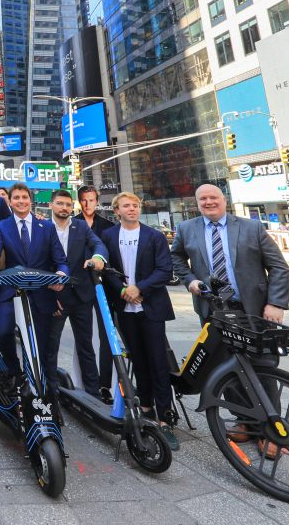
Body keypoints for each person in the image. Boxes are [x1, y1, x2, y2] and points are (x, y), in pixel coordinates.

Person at [171, 183, 289, 456]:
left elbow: (279, 267)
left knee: (262, 368)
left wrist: (275, 303)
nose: (208, 202)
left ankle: (270, 429)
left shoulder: (251, 227)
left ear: (223, 200)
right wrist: (189, 280)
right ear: (197, 203)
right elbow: (175, 257)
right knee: (225, 369)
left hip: (254, 310)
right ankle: (245, 421)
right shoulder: (187, 229)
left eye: (213, 197)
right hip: (214, 311)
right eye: (203, 199)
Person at [94, 192, 177, 450]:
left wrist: (139, 288)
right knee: (138, 359)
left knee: (158, 361)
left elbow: (165, 270)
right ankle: (146, 406)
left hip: (150, 306)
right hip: (125, 307)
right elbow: (107, 270)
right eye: (126, 206)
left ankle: (165, 417)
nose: (132, 209)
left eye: (135, 205)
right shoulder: (108, 236)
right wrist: (122, 290)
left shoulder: (155, 236)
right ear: (116, 211)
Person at [0, 182, 68, 385]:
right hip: (12, 291)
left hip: (41, 293)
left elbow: (61, 260)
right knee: (2, 331)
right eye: (16, 198)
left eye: (24, 197)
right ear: (10, 202)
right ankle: (14, 370)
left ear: (30, 200)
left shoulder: (46, 226)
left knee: (40, 342)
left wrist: (61, 274)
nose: (21, 201)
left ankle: (39, 384)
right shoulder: (2, 226)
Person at [45, 188, 110, 402]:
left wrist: (98, 257)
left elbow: (98, 244)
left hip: (82, 296)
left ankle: (93, 393)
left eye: (68, 204)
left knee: (86, 346)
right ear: (51, 205)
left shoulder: (80, 226)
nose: (64, 208)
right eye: (60, 203)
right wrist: (49, 293)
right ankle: (51, 391)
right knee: (51, 347)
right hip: (55, 298)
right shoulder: (42, 228)